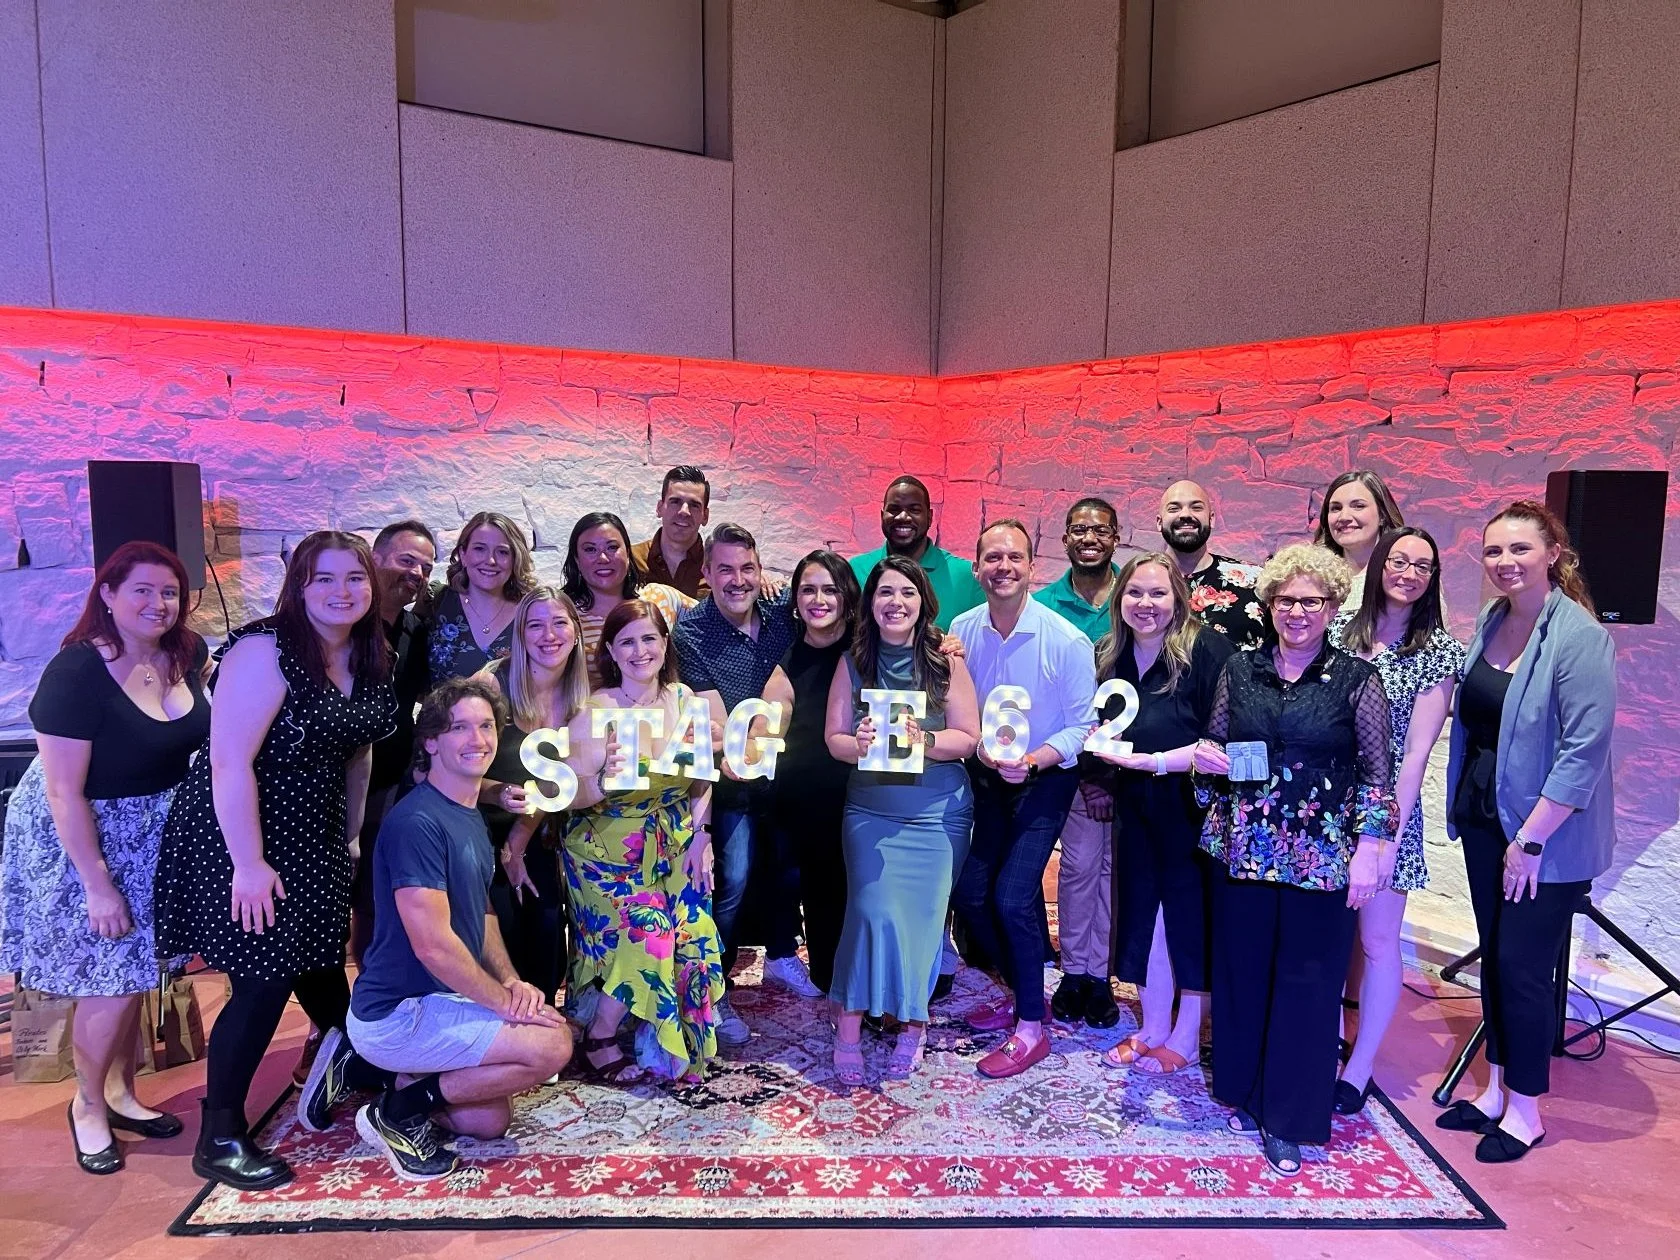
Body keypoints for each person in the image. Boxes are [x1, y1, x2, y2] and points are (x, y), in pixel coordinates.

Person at [154, 531, 398, 1190]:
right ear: (298, 585)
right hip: (243, 827)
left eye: (355, 577)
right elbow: (230, 762)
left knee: (319, 954)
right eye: (324, 578)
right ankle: (221, 1135)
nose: (342, 591)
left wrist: (348, 838)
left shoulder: (373, 653)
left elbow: (359, 752)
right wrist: (249, 863)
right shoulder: (265, 650)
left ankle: (353, 1061)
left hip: (315, 826)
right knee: (264, 977)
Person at [0, 543, 208, 1175]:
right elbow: (63, 792)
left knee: (138, 976)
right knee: (111, 983)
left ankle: (120, 1092)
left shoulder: (186, 653)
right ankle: (87, 1105)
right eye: (141, 590)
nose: (158, 603)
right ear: (109, 595)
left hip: (155, 832)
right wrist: (98, 885)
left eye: (169, 591)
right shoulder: (77, 671)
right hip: (85, 837)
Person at [1196, 543, 1393, 1176]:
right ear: (1269, 604)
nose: (1298, 611)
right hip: (1243, 848)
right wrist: (1205, 766)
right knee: (1242, 974)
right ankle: (1245, 1092)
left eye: (1312, 600)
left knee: (1308, 988)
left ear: (1333, 606)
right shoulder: (1242, 670)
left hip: (1322, 858)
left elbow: (1377, 777)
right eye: (1286, 600)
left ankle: (1289, 1116)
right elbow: (1216, 749)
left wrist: (1372, 849)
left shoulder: (1359, 682)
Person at [1437, 501, 1616, 1164]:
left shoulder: (1580, 637)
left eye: (1519, 550)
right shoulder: (1493, 620)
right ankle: (1496, 1093)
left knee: (1522, 968)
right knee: (1496, 957)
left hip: (1547, 838)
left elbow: (1584, 749)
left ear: (1553, 555)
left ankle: (1528, 1110)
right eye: (1493, 553)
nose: (1505, 563)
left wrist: (1533, 839)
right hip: (1489, 816)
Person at [347, 678, 573, 1181]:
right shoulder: (417, 823)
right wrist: (500, 1002)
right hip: (397, 1011)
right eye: (460, 728)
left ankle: (369, 1074)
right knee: (552, 1044)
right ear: (430, 741)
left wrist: (511, 981)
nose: (478, 739)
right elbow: (433, 946)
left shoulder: (468, 810)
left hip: (435, 1002)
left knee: (487, 1121)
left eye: (487, 726)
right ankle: (396, 1110)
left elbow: (483, 914)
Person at [949, 521, 1096, 1079]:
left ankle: (1032, 1027)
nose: (1003, 567)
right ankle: (1017, 991)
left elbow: (1083, 727)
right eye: (992, 557)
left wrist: (1032, 760)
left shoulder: (1066, 640)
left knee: (1013, 896)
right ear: (977, 568)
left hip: (1045, 778)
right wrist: (985, 756)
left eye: (1014, 557)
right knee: (969, 893)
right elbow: (956, 702)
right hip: (986, 775)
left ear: (1032, 567)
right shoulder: (961, 632)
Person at [824, 557, 979, 1082]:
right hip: (871, 809)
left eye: (907, 592)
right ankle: (848, 1021)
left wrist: (926, 740)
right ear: (870, 602)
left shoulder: (946, 661)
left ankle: (913, 1023)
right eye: (886, 592)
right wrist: (858, 744)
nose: (896, 602)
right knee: (869, 911)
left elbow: (968, 736)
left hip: (937, 813)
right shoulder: (853, 660)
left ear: (923, 602)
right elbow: (835, 740)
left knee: (922, 924)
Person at [560, 600, 726, 1081]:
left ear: (665, 643)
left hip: (675, 838)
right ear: (610, 650)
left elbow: (701, 780)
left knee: (693, 927)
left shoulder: (684, 700)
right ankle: (600, 1035)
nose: (640, 650)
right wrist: (605, 780)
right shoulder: (595, 711)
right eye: (627, 641)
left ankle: (670, 1034)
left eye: (649, 638)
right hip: (604, 848)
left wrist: (703, 836)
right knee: (650, 932)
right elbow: (570, 796)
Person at [1329, 527, 1463, 1114]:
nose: (1409, 573)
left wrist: (1382, 834)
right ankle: (1321, 1039)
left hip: (1386, 815)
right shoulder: (1337, 632)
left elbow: (1415, 755)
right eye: (1400, 560)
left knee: (1379, 942)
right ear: (1379, 563)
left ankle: (1360, 1067)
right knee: (1325, 940)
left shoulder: (1437, 652)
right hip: (1321, 810)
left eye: (1423, 567)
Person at [1088, 553, 1234, 1075]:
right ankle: (1152, 1025)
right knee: (1143, 916)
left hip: (1190, 808)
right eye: (1134, 593)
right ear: (1119, 600)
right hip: (1135, 805)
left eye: (1157, 593)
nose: (1145, 604)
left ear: (1179, 597)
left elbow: (1222, 742)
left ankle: (1188, 1036)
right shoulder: (1111, 657)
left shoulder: (1207, 652)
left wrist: (1154, 762)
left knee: (1186, 921)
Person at [672, 523, 805, 1045]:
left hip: (782, 770)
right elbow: (714, 719)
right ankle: (713, 989)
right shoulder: (693, 631)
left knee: (786, 871)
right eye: (724, 569)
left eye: (747, 568)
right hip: (728, 780)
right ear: (706, 574)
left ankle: (780, 955)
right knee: (730, 881)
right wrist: (743, 751)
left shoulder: (779, 616)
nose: (737, 579)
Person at [471, 586, 592, 1004]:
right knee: (498, 935)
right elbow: (441, 771)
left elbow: (557, 783)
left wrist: (517, 846)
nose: (548, 635)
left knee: (545, 936)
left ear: (575, 632)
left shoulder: (582, 700)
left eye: (559, 623)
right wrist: (499, 793)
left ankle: (538, 1022)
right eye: (535, 625)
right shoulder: (492, 683)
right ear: (520, 635)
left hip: (531, 831)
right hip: (476, 826)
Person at [1036, 497, 1124, 1029]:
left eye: (1100, 530)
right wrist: (1087, 773)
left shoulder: (1133, 597)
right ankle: (1074, 971)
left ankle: (1101, 976)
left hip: (1126, 766)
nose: (1089, 538)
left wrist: (1112, 774)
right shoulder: (1045, 604)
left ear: (1117, 537)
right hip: (1071, 764)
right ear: (1064, 540)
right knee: (1077, 870)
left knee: (1112, 873)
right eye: (1078, 530)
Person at [770, 550, 861, 1004]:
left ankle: (869, 982)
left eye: (829, 589)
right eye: (808, 589)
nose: (819, 599)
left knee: (862, 893)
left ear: (847, 596)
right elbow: (769, 719)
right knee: (822, 894)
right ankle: (831, 984)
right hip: (803, 797)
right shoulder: (787, 654)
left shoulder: (869, 646)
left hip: (863, 792)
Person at [345, 519, 436, 968]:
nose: (417, 572)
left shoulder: (417, 631)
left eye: (426, 566)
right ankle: (327, 1025)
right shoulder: (344, 623)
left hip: (387, 787)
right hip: (329, 787)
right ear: (374, 558)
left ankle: (367, 1013)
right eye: (406, 560)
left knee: (372, 903)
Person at [561, 510, 691, 690]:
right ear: (576, 559)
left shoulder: (660, 598)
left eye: (612, 547)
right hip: (594, 715)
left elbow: (717, 616)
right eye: (590, 549)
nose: (603, 558)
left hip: (662, 712)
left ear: (628, 554)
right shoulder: (565, 617)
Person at [849, 475, 985, 631]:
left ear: (930, 517)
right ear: (882, 516)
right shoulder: (855, 570)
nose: (903, 517)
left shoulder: (965, 577)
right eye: (894, 509)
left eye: (914, 510)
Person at [426, 511, 538, 686]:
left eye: (502, 552)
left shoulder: (532, 613)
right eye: (479, 549)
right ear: (463, 554)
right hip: (441, 713)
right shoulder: (435, 601)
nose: (491, 560)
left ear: (515, 559)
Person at [1157, 479, 1267, 649]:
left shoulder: (1255, 580)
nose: (1185, 515)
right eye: (1174, 508)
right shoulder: (1140, 586)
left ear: (1212, 519)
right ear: (1159, 522)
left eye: (1196, 507)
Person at [1313, 470, 1405, 613]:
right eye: (1336, 508)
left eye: (1358, 506)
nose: (1344, 517)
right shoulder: (1312, 577)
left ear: (1382, 515)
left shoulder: (1405, 576)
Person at [631, 465, 712, 599]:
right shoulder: (631, 560)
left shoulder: (715, 567)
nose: (684, 511)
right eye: (675, 502)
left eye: (694, 505)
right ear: (659, 508)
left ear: (705, 516)